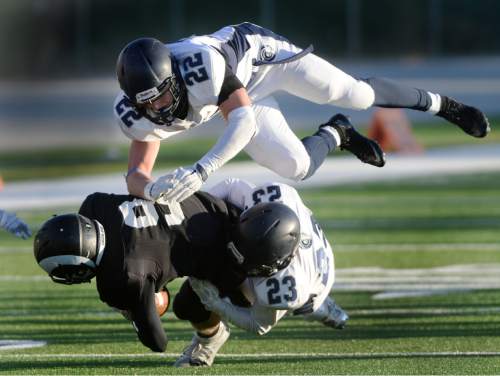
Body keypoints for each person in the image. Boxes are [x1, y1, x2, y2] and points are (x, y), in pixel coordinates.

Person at [114, 22, 490, 204]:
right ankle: (337, 134)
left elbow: (241, 120)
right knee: (296, 168)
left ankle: (446, 105)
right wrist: (150, 189)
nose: (157, 108)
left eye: (162, 96)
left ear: (174, 78)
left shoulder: (199, 65)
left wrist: (201, 171)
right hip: (239, 98)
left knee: (355, 94)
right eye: (146, 102)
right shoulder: (137, 111)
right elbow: (136, 173)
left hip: (265, 63)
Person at [33, 190, 245, 353]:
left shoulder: (120, 279)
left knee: (187, 307)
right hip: (219, 204)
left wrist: (134, 310)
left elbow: (158, 342)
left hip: (236, 253)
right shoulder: (94, 205)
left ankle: (210, 339)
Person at [172, 178, 348, 368]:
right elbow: (231, 186)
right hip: (296, 252)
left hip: (315, 283)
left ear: (277, 262)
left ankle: (318, 308)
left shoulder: (288, 284)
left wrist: (216, 303)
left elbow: (258, 325)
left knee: (302, 303)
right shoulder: (269, 197)